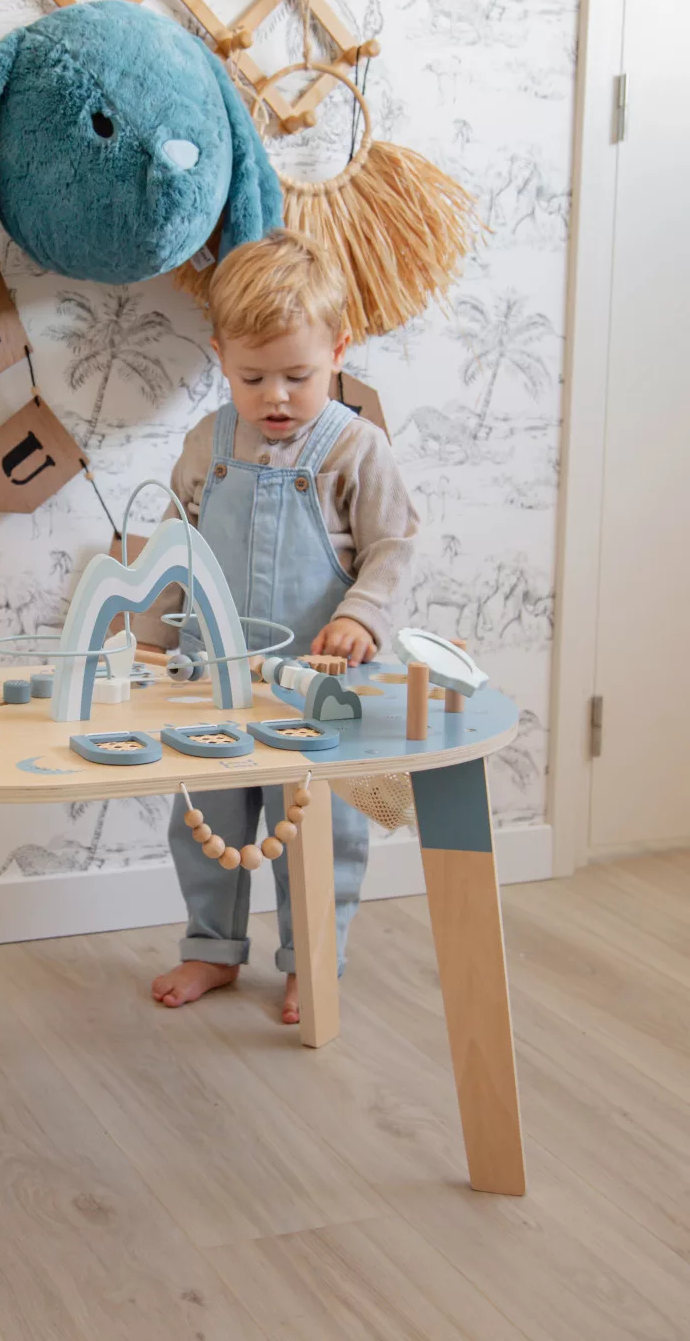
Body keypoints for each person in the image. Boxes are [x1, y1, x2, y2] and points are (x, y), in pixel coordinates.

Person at [152, 229, 419, 1024]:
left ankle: (312, 960)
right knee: (204, 820)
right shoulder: (207, 444)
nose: (275, 396)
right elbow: (174, 546)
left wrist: (360, 616)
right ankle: (211, 947)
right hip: (214, 680)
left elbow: (393, 548)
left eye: (298, 377)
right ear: (220, 357)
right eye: (252, 377)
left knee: (319, 831)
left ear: (337, 352)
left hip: (319, 688)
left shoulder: (356, 449)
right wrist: (155, 639)